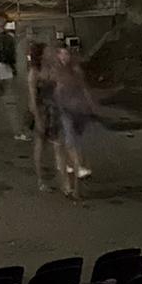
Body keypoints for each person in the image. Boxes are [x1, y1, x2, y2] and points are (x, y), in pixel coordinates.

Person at [51, 41, 95, 198]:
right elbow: (54, 91)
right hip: (63, 110)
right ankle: (74, 170)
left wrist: (89, 104)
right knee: (68, 140)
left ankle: (72, 166)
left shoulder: (75, 70)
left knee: (75, 138)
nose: (64, 56)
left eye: (66, 53)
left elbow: (83, 88)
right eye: (61, 53)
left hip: (76, 109)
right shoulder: (55, 71)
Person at [0, 8, 29, 141]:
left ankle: (17, 131)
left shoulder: (9, 36)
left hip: (7, 72)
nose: (2, 21)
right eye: (0, 19)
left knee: (11, 103)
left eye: (3, 19)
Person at [27, 41, 63, 193]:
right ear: (41, 55)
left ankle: (62, 178)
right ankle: (41, 180)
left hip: (54, 109)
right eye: (48, 52)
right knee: (40, 145)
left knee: (58, 144)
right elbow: (32, 99)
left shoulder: (53, 69)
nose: (51, 53)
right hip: (42, 111)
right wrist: (37, 118)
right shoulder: (34, 73)